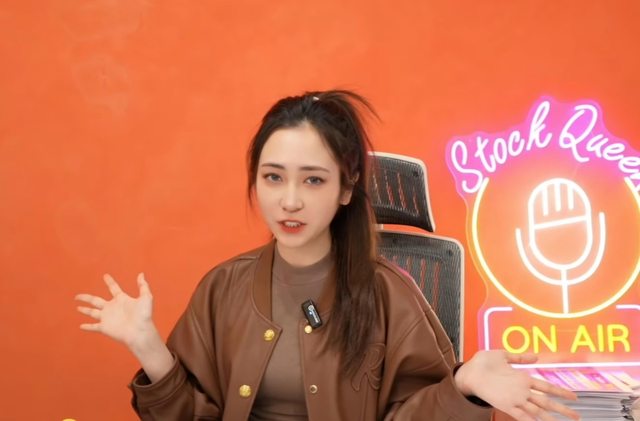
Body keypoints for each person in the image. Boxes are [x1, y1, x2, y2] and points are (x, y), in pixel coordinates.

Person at [75, 90, 580, 421]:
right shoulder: (223, 288)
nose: (289, 200)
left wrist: (463, 387)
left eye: (313, 180)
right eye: (273, 177)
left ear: (346, 187)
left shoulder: (389, 294)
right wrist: (147, 346)